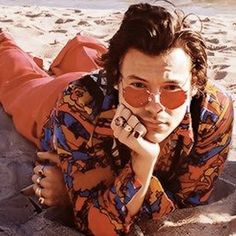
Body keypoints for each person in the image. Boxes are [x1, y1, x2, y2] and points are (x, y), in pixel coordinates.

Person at [0, 3, 234, 236]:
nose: (155, 107)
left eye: (172, 88)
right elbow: (98, 225)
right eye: (138, 86)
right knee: (20, 80)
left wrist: (73, 195)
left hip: (114, 84)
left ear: (195, 86)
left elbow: (181, 207)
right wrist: (91, 197)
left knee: (115, 62)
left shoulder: (214, 112)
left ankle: (85, 48)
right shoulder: (79, 103)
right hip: (56, 99)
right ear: (115, 80)